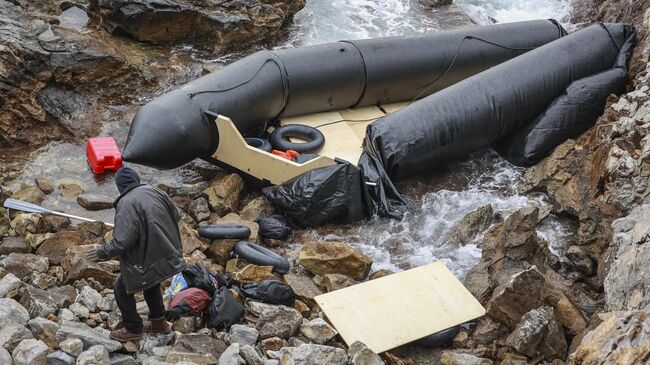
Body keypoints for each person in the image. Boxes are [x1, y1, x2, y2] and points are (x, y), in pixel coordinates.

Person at [83, 167, 185, 342]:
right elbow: (176, 215)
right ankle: (159, 322)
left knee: (121, 288)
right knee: (150, 282)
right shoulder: (156, 191)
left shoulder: (126, 203)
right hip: (169, 254)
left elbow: (122, 242)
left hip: (148, 259)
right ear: (136, 179)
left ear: (120, 186)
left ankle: (133, 328)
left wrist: (100, 252)